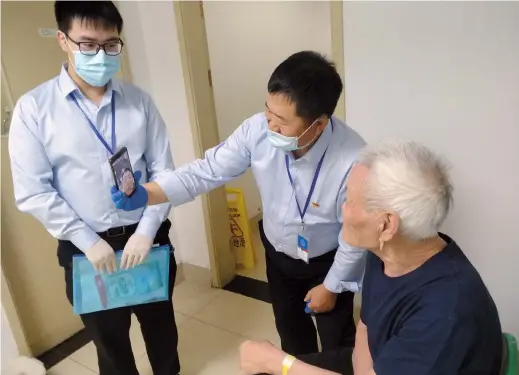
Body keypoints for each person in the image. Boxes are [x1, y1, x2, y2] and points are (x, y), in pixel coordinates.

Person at [111, 51, 367, 355]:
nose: (270, 125)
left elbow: (356, 236)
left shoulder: (354, 161)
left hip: (327, 260)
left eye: (282, 122)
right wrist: (149, 193)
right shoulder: (256, 130)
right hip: (277, 253)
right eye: (268, 112)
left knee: (338, 343)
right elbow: (206, 171)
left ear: (319, 124)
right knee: (291, 333)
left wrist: (333, 285)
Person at [8, 2, 180, 375]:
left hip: (146, 239)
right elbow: (33, 191)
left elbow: (163, 172)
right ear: (63, 40)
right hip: (88, 252)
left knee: (161, 328)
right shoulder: (34, 109)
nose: (100, 55)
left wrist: (147, 231)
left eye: (110, 44)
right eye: (88, 44)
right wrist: (87, 240)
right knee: (110, 342)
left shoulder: (139, 102)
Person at [237, 141, 503, 375]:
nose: (342, 208)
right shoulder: (385, 252)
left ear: (386, 225)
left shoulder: (446, 311)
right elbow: (367, 325)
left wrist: (279, 363)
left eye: (350, 201)